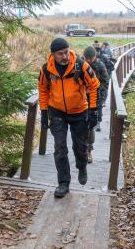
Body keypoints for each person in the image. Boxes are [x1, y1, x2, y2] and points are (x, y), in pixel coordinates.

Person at [38, 38, 100, 198]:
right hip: (57, 111)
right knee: (59, 148)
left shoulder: (81, 65)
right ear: (53, 55)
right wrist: (44, 112)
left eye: (66, 52)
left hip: (79, 111)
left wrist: (93, 110)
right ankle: (63, 183)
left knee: (80, 147)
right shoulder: (47, 70)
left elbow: (94, 86)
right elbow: (43, 89)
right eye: (60, 54)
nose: (65, 56)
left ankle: (82, 165)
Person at [83, 46, 109, 163]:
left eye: (91, 58)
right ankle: (81, 149)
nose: (89, 61)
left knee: (90, 126)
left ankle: (88, 151)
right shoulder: (80, 65)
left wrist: (102, 99)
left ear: (95, 57)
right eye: (86, 58)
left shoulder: (100, 66)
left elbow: (105, 83)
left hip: (95, 100)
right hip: (81, 99)